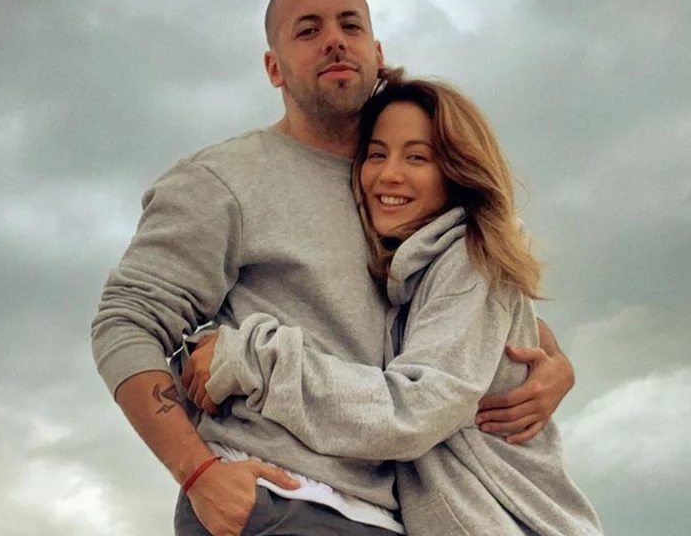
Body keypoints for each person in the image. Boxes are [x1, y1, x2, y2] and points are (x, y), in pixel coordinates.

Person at [90, 0, 575, 535]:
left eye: (350, 25)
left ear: (376, 50)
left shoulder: (402, 191)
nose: (334, 40)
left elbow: (467, 315)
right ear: (274, 67)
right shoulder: (222, 182)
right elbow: (125, 323)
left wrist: (554, 365)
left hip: (390, 515)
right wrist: (198, 474)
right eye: (308, 30)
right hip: (279, 502)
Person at [184, 72, 604, 535]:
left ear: (456, 171)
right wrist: (558, 360)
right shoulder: (412, 274)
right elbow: (515, 337)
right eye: (377, 154)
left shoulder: (471, 255)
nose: (389, 174)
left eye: (417, 157)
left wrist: (254, 361)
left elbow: (412, 411)